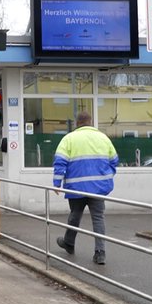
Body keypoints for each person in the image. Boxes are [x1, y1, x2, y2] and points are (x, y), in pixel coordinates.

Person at [53, 111, 119, 265]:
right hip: (98, 187)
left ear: (77, 123)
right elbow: (114, 160)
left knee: (75, 215)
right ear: (91, 122)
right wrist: (107, 176)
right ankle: (100, 253)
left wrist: (57, 183)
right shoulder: (103, 138)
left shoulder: (69, 139)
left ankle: (69, 242)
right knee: (98, 218)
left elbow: (60, 162)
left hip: (77, 187)